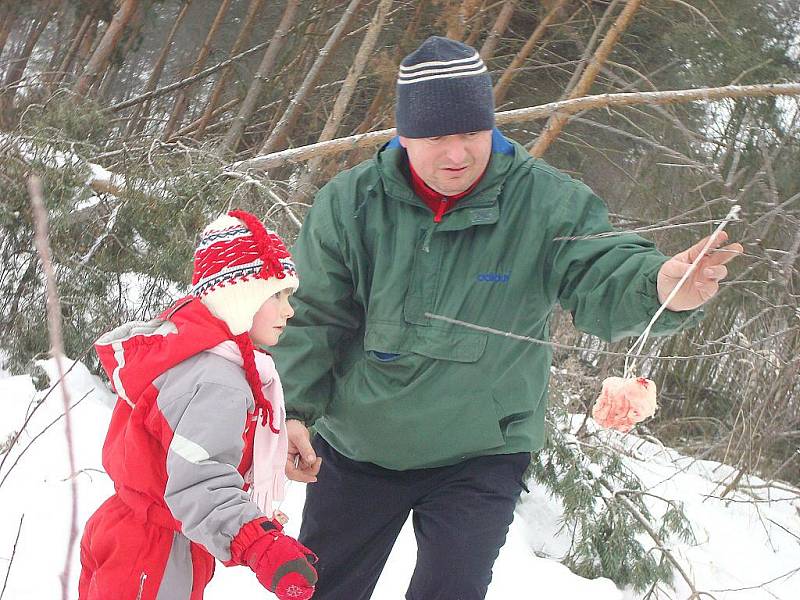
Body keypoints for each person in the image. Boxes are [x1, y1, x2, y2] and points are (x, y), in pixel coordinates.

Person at [272, 36, 743, 600]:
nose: (457, 154)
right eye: (436, 137)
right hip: (359, 444)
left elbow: (601, 269)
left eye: (471, 134)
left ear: (491, 128)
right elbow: (312, 315)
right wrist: (293, 410)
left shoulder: (547, 203)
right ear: (402, 135)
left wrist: (663, 286)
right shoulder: (350, 204)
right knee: (322, 589)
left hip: (482, 449)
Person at [78, 210, 318, 600]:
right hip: (155, 552)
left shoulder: (189, 351)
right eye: (275, 294)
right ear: (239, 297)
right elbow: (198, 481)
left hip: (132, 529)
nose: (288, 309)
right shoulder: (217, 380)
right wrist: (261, 544)